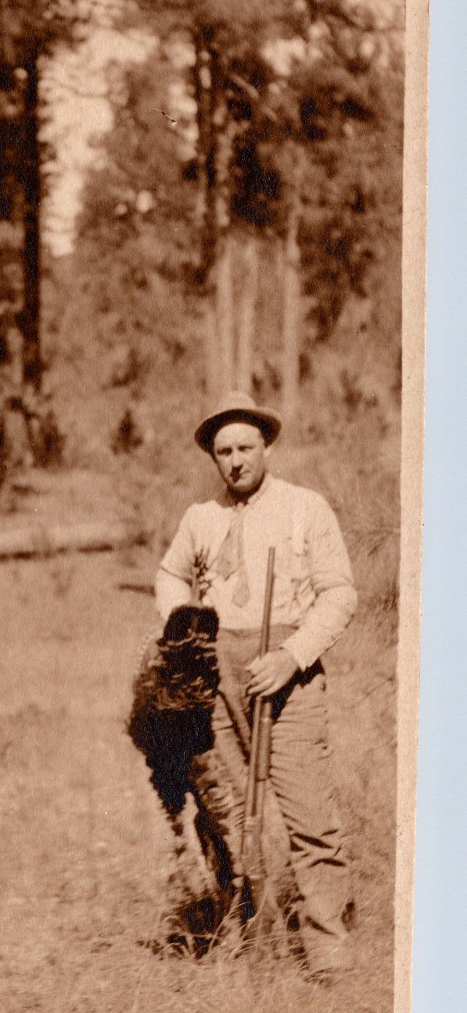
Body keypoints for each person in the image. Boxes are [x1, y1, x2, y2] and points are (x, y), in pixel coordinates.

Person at [154, 391, 358, 978]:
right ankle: (246, 930)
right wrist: (181, 628)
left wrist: (291, 657)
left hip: (286, 674)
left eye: (245, 447)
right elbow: (169, 574)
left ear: (265, 446)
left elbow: (339, 592)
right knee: (224, 811)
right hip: (216, 675)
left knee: (309, 815)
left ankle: (328, 952)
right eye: (224, 451)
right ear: (213, 458)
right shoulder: (201, 517)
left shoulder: (305, 508)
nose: (235, 460)